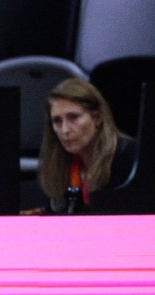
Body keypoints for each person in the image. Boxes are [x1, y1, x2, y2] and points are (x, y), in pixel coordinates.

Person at [34, 78, 137, 215]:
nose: (64, 130)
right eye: (57, 121)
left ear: (97, 118)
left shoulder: (130, 157)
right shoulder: (57, 165)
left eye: (73, 117)